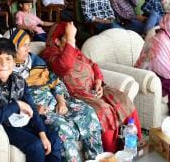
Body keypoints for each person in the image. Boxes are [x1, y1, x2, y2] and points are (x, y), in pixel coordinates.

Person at [41, 22, 139, 152]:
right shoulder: (49, 54)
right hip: (77, 95)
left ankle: (134, 145)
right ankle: (112, 154)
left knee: (123, 99)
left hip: (94, 88)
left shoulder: (73, 50)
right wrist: (70, 39)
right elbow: (64, 65)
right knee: (104, 111)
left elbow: (93, 64)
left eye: (73, 38)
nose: (73, 43)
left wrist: (98, 81)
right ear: (57, 41)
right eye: (69, 38)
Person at [11, 30, 104, 162]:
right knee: (62, 129)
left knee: (88, 113)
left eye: (29, 44)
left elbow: (55, 81)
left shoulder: (36, 61)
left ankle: (96, 159)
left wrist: (61, 102)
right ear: (13, 48)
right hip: (40, 109)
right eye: (24, 45)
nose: (28, 48)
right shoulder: (8, 71)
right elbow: (13, 100)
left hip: (56, 99)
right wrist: (34, 108)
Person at [0, 38, 63, 162]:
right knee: (35, 146)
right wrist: (17, 104)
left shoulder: (19, 80)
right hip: (5, 127)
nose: (4, 64)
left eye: (8, 59)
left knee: (53, 139)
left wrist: (42, 133)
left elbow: (31, 108)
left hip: (23, 121)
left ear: (14, 60)